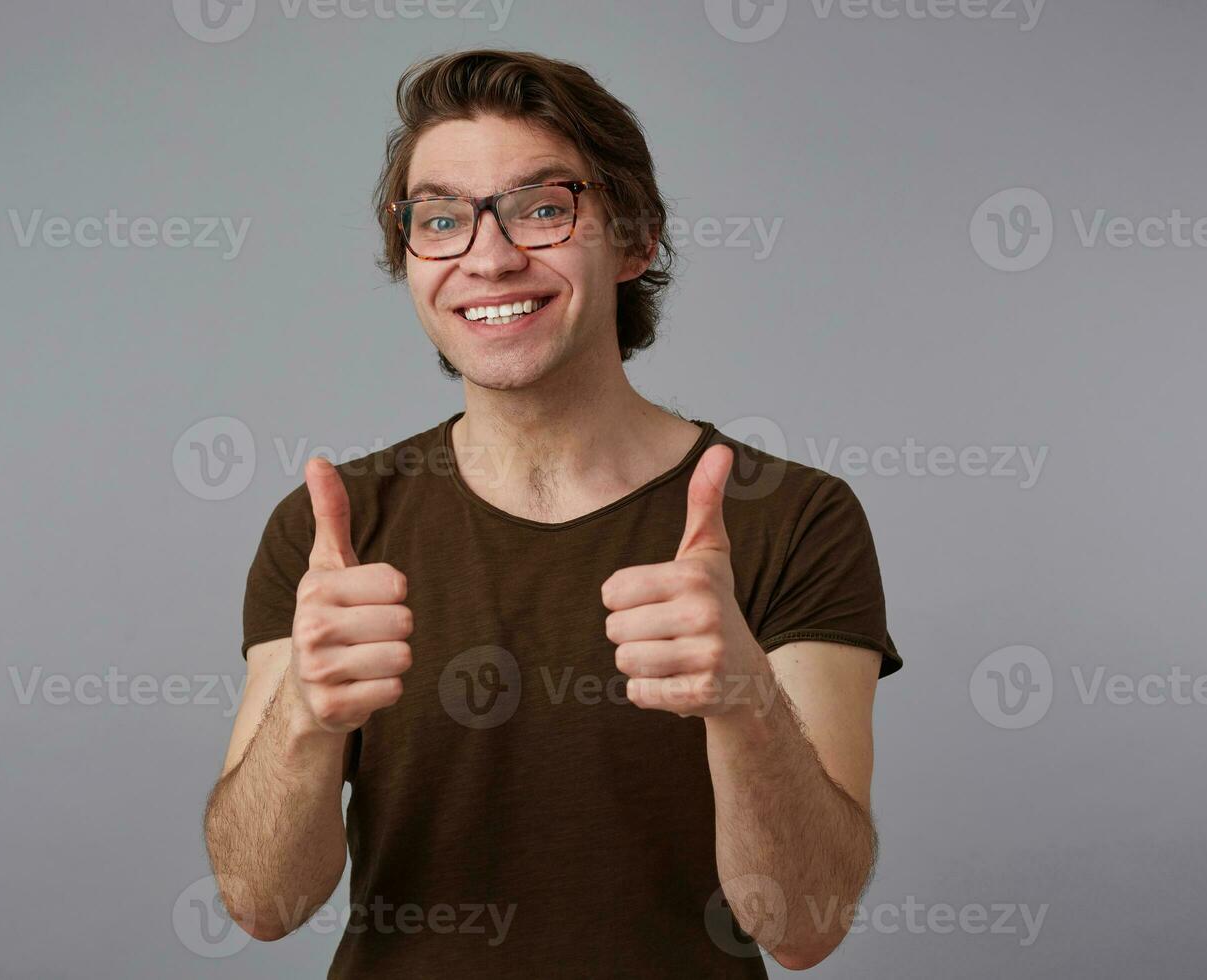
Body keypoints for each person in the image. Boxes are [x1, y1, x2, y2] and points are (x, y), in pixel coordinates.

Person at [202, 48, 902, 978]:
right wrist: (305, 718)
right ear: (410, 256)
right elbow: (262, 903)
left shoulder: (793, 518)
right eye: (441, 219)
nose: (488, 259)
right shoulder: (330, 529)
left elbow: (803, 926)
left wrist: (744, 703)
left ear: (635, 238)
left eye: (542, 208)